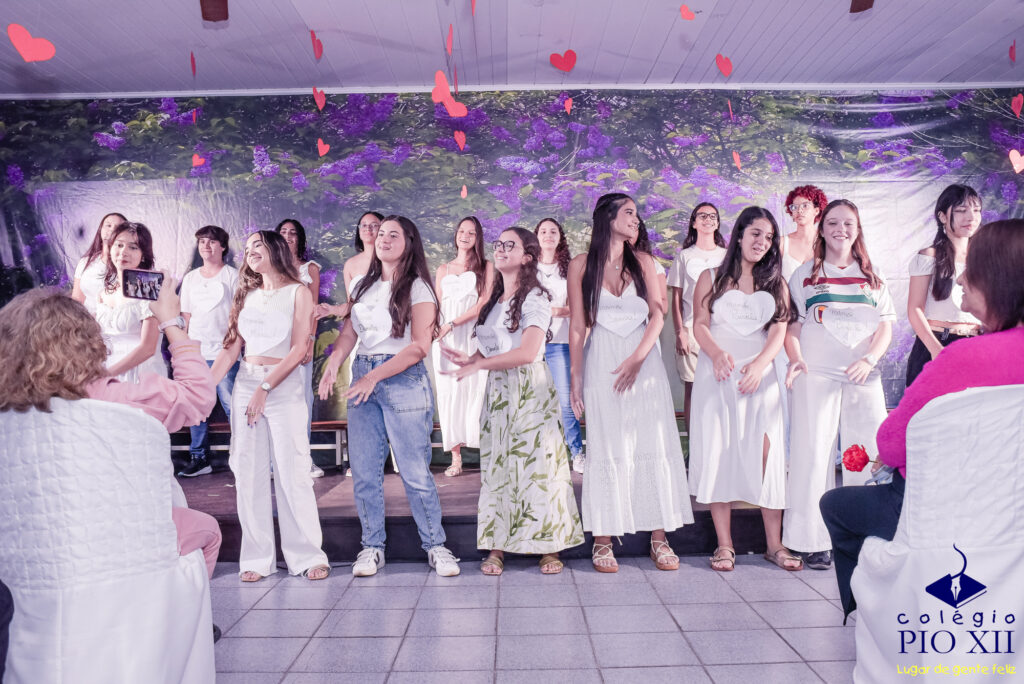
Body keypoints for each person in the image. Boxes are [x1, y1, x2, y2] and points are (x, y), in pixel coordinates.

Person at [821, 219, 1024, 619]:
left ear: (999, 279)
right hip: (1011, 515)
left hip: (945, 511)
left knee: (837, 504)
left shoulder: (962, 359)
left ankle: (884, 619)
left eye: (971, 268)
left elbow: (892, 445)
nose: (960, 277)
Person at [319, 216, 461, 578]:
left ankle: (436, 546)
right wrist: (335, 361)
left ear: (409, 242)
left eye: (393, 234)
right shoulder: (362, 284)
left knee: (414, 471)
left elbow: (419, 347)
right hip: (363, 376)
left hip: (402, 379)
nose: (383, 239)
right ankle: (372, 547)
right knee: (365, 472)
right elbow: (350, 332)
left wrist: (374, 376)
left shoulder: (418, 287)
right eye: (380, 233)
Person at [442, 227, 584, 575]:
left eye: (511, 245)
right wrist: (471, 358)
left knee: (538, 468)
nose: (501, 249)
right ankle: (497, 545)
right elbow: (494, 344)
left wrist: (479, 365)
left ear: (527, 257)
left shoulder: (536, 297)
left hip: (529, 390)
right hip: (499, 393)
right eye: (499, 244)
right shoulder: (495, 300)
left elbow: (528, 351)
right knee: (499, 468)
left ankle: (549, 546)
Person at [568, 193, 693, 573]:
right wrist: (576, 378)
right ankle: (603, 539)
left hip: (644, 362)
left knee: (651, 442)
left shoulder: (645, 262)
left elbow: (658, 316)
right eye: (628, 213)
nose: (636, 220)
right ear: (608, 218)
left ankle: (659, 537)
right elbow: (578, 326)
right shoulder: (580, 265)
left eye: (636, 214)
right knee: (607, 444)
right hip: (602, 360)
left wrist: (638, 358)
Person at [210, 230, 330, 582]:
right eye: (246, 248)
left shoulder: (298, 292)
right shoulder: (245, 294)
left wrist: (265, 387)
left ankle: (307, 556)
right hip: (246, 382)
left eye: (257, 245)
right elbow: (231, 348)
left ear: (275, 249)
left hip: (282, 385)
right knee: (248, 472)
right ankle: (257, 559)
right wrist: (203, 387)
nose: (250, 252)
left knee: (293, 471)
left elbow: (298, 349)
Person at [784, 199, 895, 571]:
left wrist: (869, 359)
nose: (840, 229)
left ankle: (865, 537)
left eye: (848, 223)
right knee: (813, 454)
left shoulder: (873, 276)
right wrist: (796, 358)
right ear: (822, 228)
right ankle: (811, 541)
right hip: (815, 375)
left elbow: (885, 326)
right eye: (832, 222)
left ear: (858, 229)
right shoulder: (804, 275)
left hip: (863, 377)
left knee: (863, 455)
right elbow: (793, 325)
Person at [690, 207, 799, 572]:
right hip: (718, 376)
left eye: (768, 237)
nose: (761, 242)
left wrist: (761, 364)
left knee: (767, 457)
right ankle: (725, 545)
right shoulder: (710, 277)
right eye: (755, 234)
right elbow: (699, 323)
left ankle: (774, 545)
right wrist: (716, 353)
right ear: (739, 235)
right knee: (719, 452)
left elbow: (779, 330)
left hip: (760, 378)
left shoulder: (776, 283)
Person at [431, 216, 493, 477]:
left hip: (471, 337)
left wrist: (452, 324)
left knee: (476, 393)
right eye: (461, 231)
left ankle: (488, 455)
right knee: (449, 395)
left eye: (471, 233)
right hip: (445, 339)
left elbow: (482, 304)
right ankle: (456, 458)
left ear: (478, 238)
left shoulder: (486, 267)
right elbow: (436, 304)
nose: (465, 236)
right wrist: (435, 328)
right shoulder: (443, 269)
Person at [905, 184, 983, 387]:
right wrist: (936, 350)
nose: (971, 217)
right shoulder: (929, 256)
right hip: (938, 342)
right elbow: (915, 308)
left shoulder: (984, 258)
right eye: (961, 210)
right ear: (942, 216)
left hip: (976, 344)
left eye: (976, 210)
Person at [177, 225, 239, 478]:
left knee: (233, 406)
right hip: (196, 353)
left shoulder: (233, 276)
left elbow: (239, 314)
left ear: (222, 246)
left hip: (225, 353)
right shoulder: (191, 279)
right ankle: (199, 458)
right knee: (196, 407)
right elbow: (185, 316)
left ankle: (243, 455)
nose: (206, 246)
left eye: (211, 241)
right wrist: (184, 351)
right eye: (202, 241)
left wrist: (233, 345)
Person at [667, 203, 727, 429]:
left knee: (721, 385)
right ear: (694, 223)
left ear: (718, 223)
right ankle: (694, 442)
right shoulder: (684, 256)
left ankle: (719, 439)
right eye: (702, 216)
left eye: (712, 216)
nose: (708, 220)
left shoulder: (727, 256)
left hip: (721, 330)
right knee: (692, 387)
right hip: (691, 330)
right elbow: (676, 298)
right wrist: (680, 332)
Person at [535, 217, 585, 473]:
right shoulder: (527, 268)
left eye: (553, 231)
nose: (548, 235)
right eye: (543, 231)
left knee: (566, 402)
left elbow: (578, 308)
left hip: (560, 343)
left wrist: (552, 310)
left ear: (560, 237)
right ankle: (541, 454)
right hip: (531, 345)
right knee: (535, 401)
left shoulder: (570, 269)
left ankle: (577, 452)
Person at [276, 218, 325, 478]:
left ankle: (303, 461)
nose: (288, 236)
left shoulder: (310, 269)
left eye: (292, 233)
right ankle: (276, 463)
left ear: (300, 239)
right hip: (273, 344)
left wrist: (310, 342)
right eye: (283, 232)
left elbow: (314, 310)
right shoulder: (268, 267)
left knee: (301, 401)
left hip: (300, 342)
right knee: (274, 401)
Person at [95, 221, 168, 382]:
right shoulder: (103, 294)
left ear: (144, 255)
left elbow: (148, 348)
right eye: (119, 245)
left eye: (133, 247)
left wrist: (108, 375)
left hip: (141, 374)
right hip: (106, 370)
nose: (123, 252)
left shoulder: (150, 289)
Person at [71, 212, 126, 313]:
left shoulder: (131, 265)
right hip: (87, 320)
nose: (112, 229)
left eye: (118, 227)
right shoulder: (85, 262)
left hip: (116, 319)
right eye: (108, 225)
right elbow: (77, 300)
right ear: (101, 230)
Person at [781, 185, 828, 279]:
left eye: (805, 205)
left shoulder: (827, 242)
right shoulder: (781, 243)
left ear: (816, 211)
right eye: (794, 207)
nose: (799, 210)